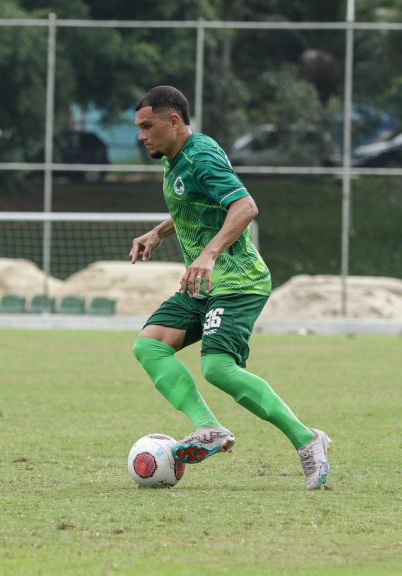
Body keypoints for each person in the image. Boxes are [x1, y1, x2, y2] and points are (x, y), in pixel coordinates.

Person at [129, 85, 331, 490]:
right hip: (203, 284)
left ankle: (308, 440)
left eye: (148, 126)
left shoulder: (200, 154)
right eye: (138, 128)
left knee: (218, 368)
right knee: (149, 346)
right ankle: (209, 429)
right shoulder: (174, 159)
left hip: (238, 280)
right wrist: (160, 232)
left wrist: (209, 254)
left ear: (174, 121)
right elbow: (196, 205)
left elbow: (245, 207)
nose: (141, 136)